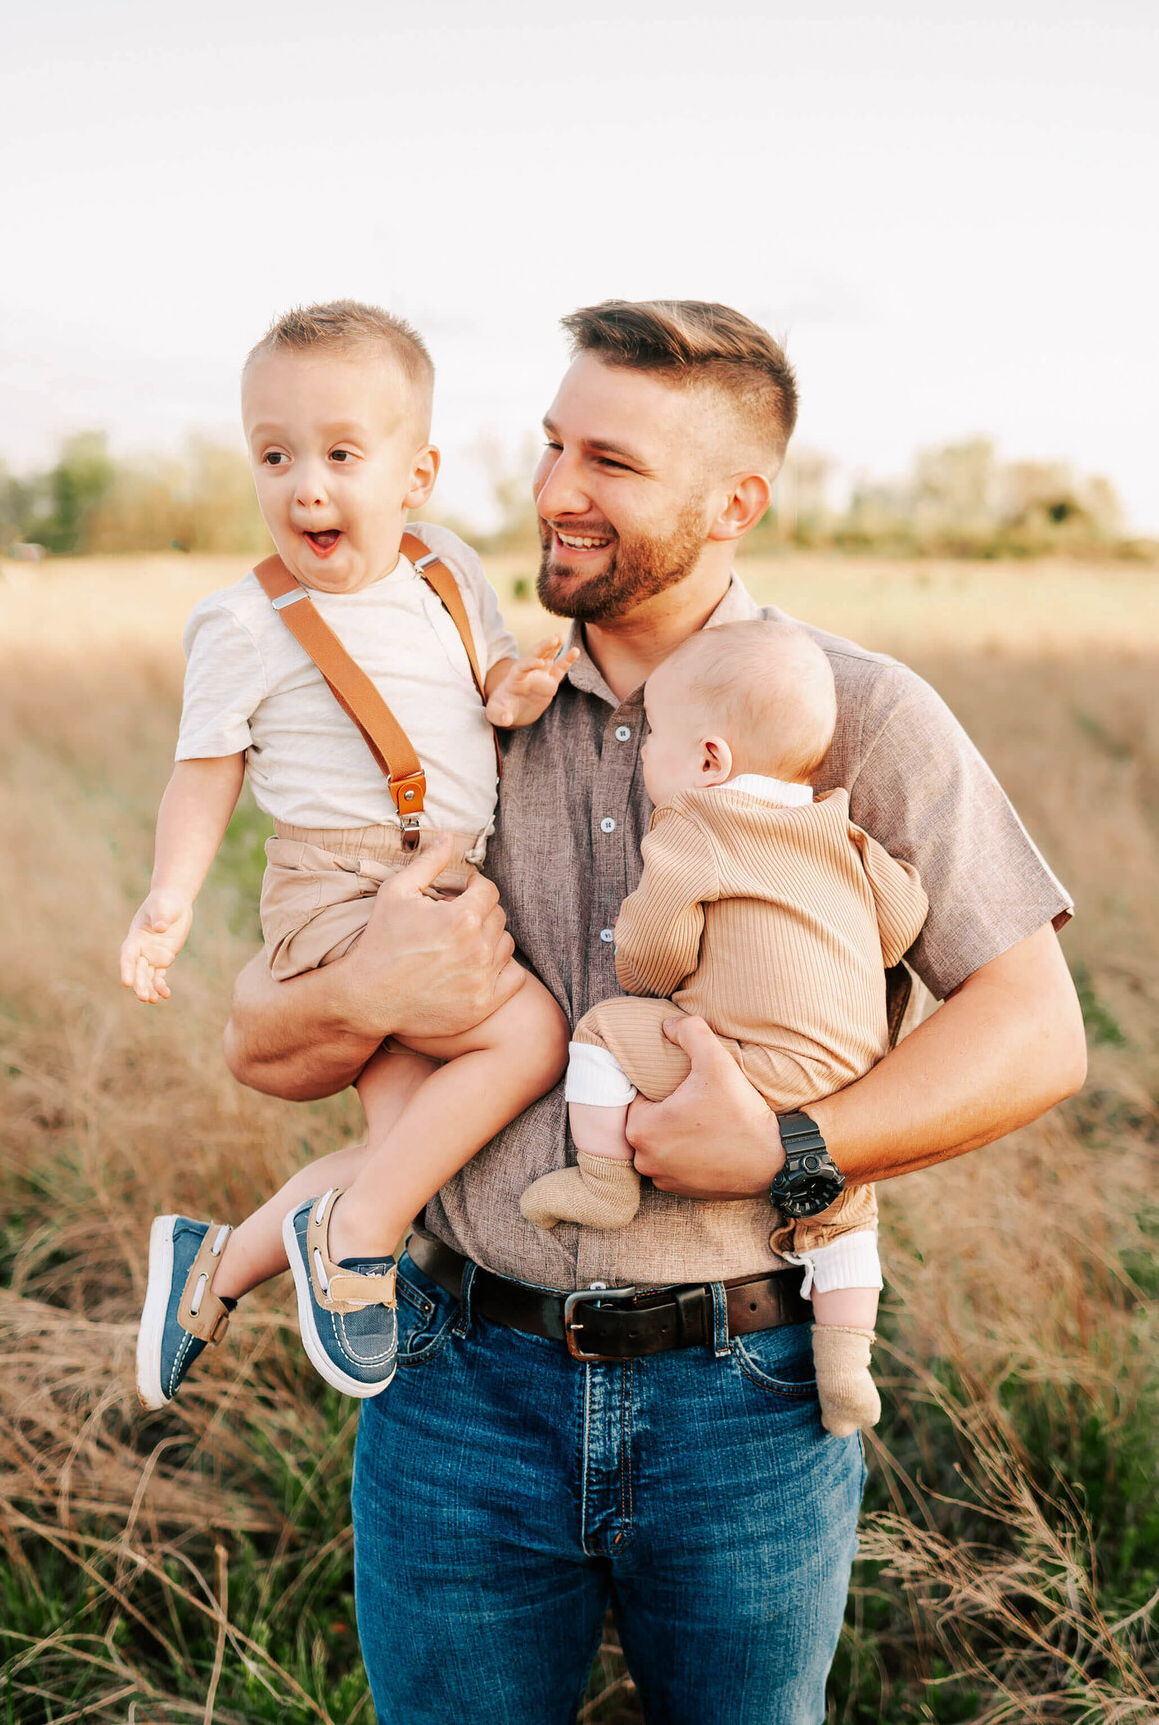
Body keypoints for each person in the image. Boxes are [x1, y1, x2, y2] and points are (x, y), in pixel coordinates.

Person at [223, 300, 1086, 1725]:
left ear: (735, 501)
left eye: (611, 464)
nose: (557, 490)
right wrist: (372, 983)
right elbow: (263, 1044)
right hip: (456, 1387)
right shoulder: (453, 703)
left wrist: (789, 1149)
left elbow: (1037, 1028)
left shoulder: (862, 712)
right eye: (556, 444)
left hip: (748, 1398)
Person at [121, 300, 574, 1410]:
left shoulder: (444, 567)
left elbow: (491, 676)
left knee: (412, 1145)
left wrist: (518, 688)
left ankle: (217, 1268)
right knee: (530, 1036)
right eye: (274, 457)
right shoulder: (245, 620)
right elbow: (206, 766)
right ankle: (355, 1238)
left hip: (450, 866)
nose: (303, 486)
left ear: (414, 476)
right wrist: (168, 898)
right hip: (336, 881)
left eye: (338, 455)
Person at [519, 618, 929, 1438]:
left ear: (711, 761)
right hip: (848, 1079)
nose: (643, 756)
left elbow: (652, 952)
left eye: (654, 739)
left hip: (743, 1071)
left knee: (603, 1030)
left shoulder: (697, 825)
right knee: (846, 1214)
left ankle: (603, 1178)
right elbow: (901, 924)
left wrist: (654, 974)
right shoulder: (840, 828)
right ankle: (846, 1368)